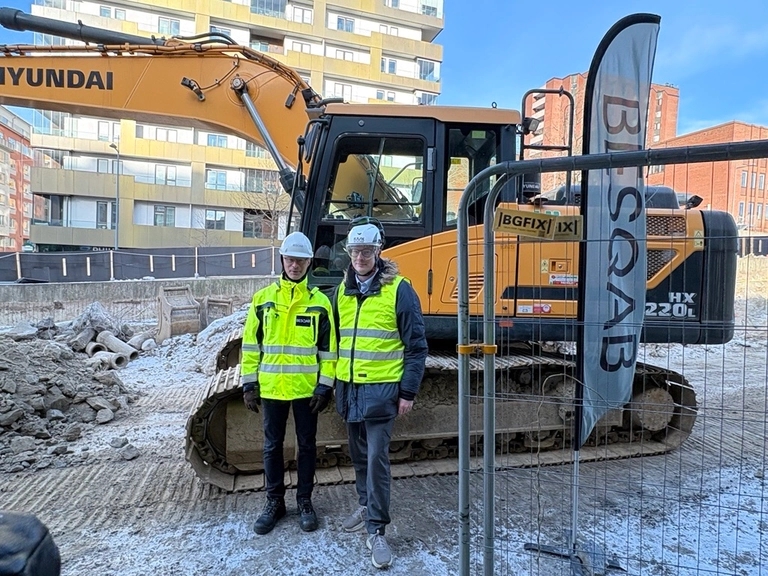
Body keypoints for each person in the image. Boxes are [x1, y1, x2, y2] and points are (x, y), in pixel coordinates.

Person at [333, 217, 428, 569]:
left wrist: (407, 392)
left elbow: (416, 346)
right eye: (355, 250)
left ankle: (377, 531)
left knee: (376, 461)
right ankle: (365, 504)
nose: (360, 256)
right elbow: (337, 343)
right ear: (350, 253)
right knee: (359, 458)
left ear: (378, 251)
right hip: (350, 390)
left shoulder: (399, 289)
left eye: (366, 250)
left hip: (382, 392)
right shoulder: (342, 292)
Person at [241, 231, 336, 535]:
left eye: (301, 260)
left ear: (309, 262)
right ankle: (274, 502)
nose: (295, 265)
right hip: (272, 388)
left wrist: (325, 386)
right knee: (272, 447)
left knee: (307, 446)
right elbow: (251, 345)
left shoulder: (320, 303)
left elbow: (328, 351)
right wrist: (249, 383)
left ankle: (305, 501)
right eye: (290, 259)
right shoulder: (263, 300)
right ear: (282, 260)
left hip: (306, 390)